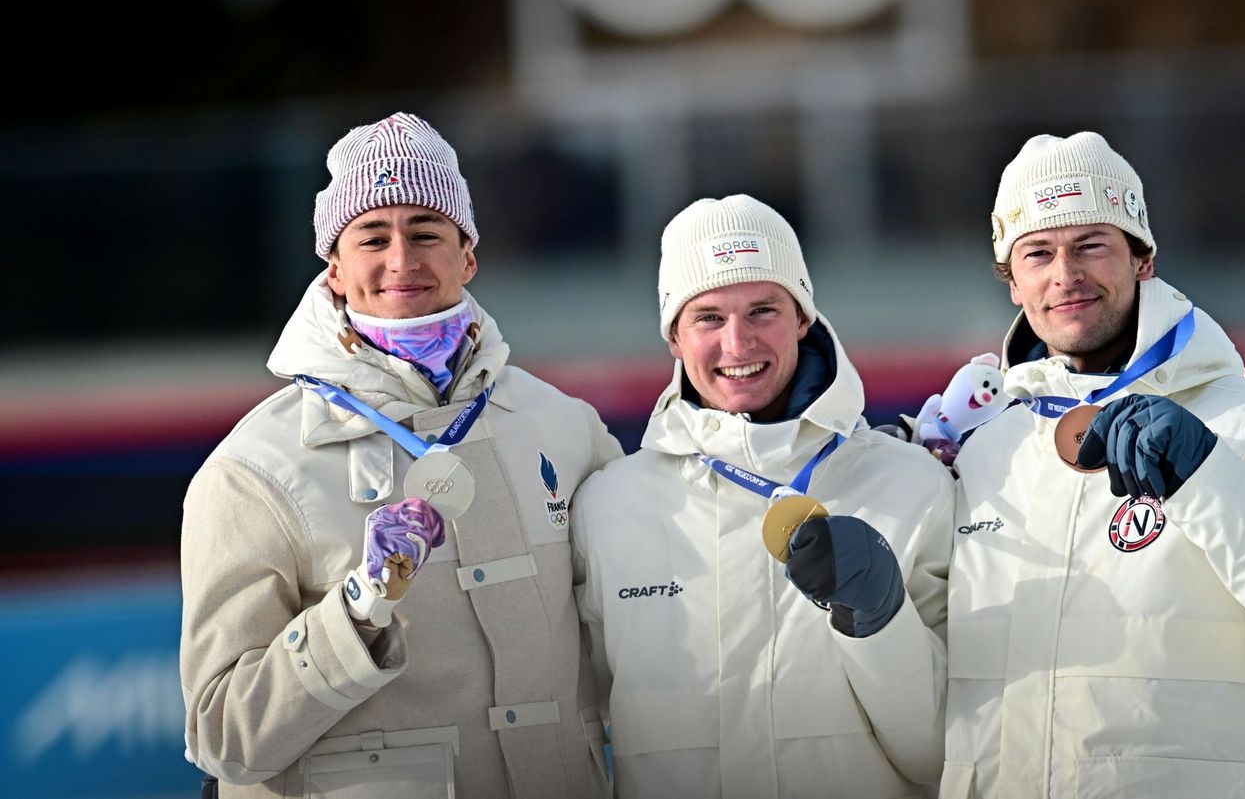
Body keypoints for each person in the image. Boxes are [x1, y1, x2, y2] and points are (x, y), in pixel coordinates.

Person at [938, 133, 1245, 799]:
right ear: (1012, 280)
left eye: (1091, 245)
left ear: (1143, 258)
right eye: (1038, 252)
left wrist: (1211, 476)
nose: (1065, 273)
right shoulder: (982, 449)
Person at [179, 111, 622, 797]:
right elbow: (222, 736)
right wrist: (354, 612)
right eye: (372, 236)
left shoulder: (564, 428)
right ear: (333, 267)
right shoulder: (254, 470)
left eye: (426, 232)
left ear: (468, 254)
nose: (401, 259)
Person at [570, 194, 954, 799]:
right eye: (708, 318)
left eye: (763, 310)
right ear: (673, 336)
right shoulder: (608, 509)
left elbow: (941, 756)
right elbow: (578, 740)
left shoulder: (911, 487)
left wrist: (883, 625)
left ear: (803, 317)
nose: (737, 342)